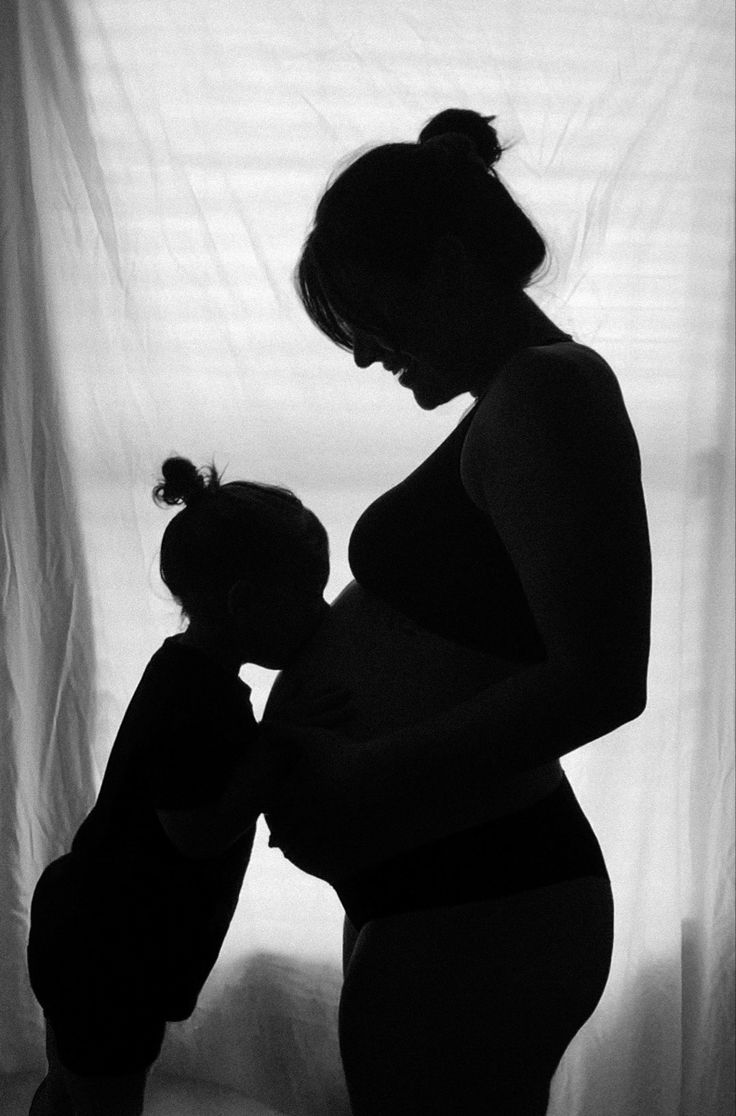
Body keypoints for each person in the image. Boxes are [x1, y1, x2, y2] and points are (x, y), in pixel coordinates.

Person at [262, 108, 652, 1115]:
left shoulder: (547, 393)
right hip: (450, 888)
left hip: (488, 895)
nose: (359, 353)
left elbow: (601, 679)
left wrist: (359, 776)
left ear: (441, 262)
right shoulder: (515, 400)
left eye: (362, 311)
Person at [26, 456, 333, 1116]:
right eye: (309, 598)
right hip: (111, 950)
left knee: (70, 1092)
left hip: (90, 930)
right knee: (103, 1103)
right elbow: (195, 832)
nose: (322, 616)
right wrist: (276, 752)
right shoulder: (201, 699)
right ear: (245, 603)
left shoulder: (185, 673)